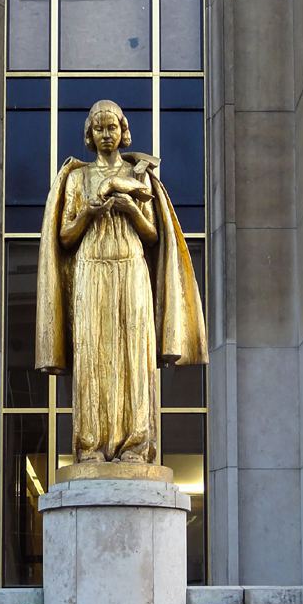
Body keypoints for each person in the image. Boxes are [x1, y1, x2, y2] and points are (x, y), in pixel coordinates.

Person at [36, 99, 207, 465]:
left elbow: (153, 236)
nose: (105, 135)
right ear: (89, 134)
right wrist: (86, 213)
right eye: (98, 129)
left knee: (133, 353)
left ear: (122, 130)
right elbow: (64, 236)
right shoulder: (77, 179)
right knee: (92, 355)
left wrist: (131, 208)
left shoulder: (139, 176)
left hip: (130, 267)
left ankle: (135, 444)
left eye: (111, 128)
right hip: (91, 269)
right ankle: (90, 445)